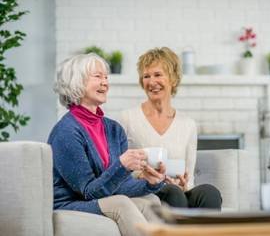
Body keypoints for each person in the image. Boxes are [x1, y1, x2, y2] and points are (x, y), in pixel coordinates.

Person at [48, 53, 166, 236]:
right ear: (76, 82)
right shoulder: (66, 132)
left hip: (101, 199)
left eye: (106, 77)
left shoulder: (113, 129)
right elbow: (88, 191)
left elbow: (121, 186)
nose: (105, 82)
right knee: (121, 204)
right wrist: (122, 165)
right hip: (71, 204)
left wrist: (150, 183)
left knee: (150, 200)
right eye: (97, 76)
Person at [117, 47, 222, 209]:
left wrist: (184, 183)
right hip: (144, 192)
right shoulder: (127, 118)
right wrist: (141, 175)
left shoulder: (188, 124)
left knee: (209, 192)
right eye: (146, 76)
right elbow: (117, 169)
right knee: (173, 193)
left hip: (177, 190)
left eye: (158, 75)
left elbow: (189, 176)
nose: (152, 82)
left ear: (172, 78)